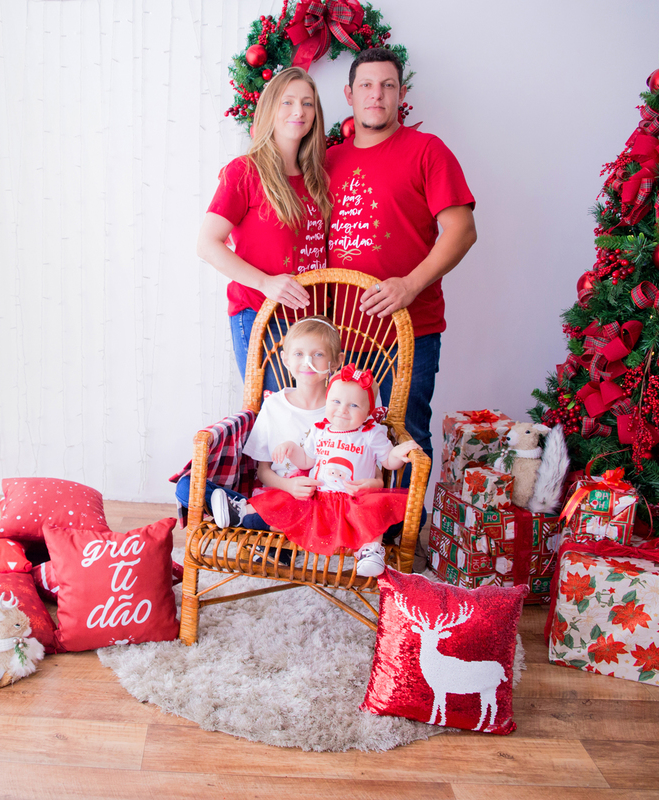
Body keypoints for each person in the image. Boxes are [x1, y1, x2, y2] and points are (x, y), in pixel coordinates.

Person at [326, 46, 477, 480]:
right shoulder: (328, 159)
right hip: (344, 334)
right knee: (343, 436)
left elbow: (462, 230)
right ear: (349, 94)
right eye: (367, 86)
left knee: (406, 435)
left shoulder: (427, 151)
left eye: (387, 86)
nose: (377, 94)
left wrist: (409, 285)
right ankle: (359, 537)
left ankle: (402, 541)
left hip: (408, 329)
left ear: (401, 93)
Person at [198, 66, 331, 383]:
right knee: (275, 421)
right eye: (287, 102)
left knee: (311, 423)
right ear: (270, 108)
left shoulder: (318, 178)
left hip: (313, 324)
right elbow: (207, 244)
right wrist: (266, 283)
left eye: (307, 103)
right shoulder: (244, 171)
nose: (299, 111)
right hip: (262, 315)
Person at [244, 365, 420, 577]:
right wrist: (291, 448)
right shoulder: (320, 429)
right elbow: (307, 460)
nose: (342, 410)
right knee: (284, 505)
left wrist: (398, 452)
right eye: (336, 402)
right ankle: (241, 513)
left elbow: (389, 461)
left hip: (353, 500)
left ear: (367, 412)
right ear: (327, 402)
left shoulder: (371, 433)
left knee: (373, 514)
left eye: (354, 405)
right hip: (318, 498)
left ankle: (370, 551)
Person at [178, 316, 342, 537]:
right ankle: (251, 515)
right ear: (285, 360)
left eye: (318, 354)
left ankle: (246, 517)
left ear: (336, 361)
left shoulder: (341, 409)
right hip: (276, 494)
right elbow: (263, 471)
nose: (307, 362)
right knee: (186, 487)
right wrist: (288, 486)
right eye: (299, 354)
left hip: (321, 501)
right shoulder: (274, 405)